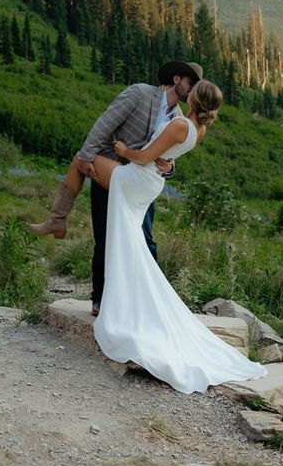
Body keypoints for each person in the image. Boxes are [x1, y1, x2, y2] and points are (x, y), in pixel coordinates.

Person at [94, 80, 268, 393]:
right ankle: (125, 296)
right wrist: (168, 163)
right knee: (131, 243)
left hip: (137, 178)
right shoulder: (198, 130)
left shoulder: (180, 125)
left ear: (194, 100)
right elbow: (166, 155)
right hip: (149, 183)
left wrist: (122, 150)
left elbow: (146, 156)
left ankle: (61, 220)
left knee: (93, 162)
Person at [29, 60, 202, 316]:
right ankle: (99, 300)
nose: (192, 90)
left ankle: (148, 301)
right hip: (110, 173)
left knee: (145, 240)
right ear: (177, 79)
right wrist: (88, 156)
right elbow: (105, 123)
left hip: (139, 183)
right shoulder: (140, 93)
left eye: (197, 87)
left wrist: (170, 168)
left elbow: (168, 156)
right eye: (191, 83)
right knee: (105, 238)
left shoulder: (178, 120)